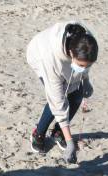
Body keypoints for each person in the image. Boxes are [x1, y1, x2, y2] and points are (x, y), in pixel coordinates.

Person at [27, 21, 98, 163]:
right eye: (81, 66)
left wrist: (86, 80)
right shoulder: (50, 59)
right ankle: (38, 133)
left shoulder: (88, 42)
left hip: (65, 60)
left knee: (77, 94)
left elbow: (85, 63)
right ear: (71, 53)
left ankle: (58, 131)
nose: (84, 68)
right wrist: (70, 141)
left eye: (88, 66)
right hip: (39, 56)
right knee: (58, 98)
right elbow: (57, 101)